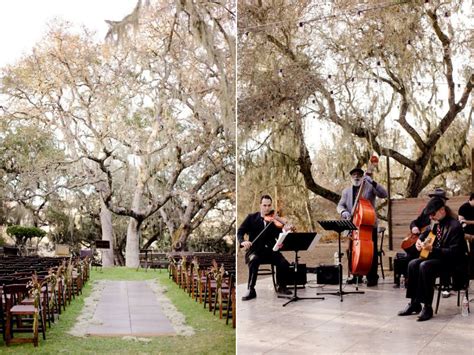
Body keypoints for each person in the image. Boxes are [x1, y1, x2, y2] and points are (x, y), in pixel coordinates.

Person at [398, 197, 467, 321]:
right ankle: (415, 303)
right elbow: (426, 232)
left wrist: (432, 250)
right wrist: (419, 240)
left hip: (452, 262)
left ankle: (427, 307)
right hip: (437, 258)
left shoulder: (455, 226)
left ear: (442, 210)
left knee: (425, 266)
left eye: (432, 214)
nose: (430, 217)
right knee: (412, 264)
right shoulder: (436, 223)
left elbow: (454, 253)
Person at [337, 167, 388, 286]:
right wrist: (343, 212)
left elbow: (384, 194)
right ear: (351, 177)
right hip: (353, 225)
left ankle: (372, 277)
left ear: (362, 176)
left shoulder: (369, 187)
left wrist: (373, 182)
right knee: (352, 250)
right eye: (354, 175)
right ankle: (356, 275)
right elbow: (340, 205)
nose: (356, 176)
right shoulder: (346, 191)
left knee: (372, 252)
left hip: (368, 224)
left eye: (359, 174)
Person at [238, 194, 294, 301]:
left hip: (270, 251)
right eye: (264, 205)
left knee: (284, 263)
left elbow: (279, 235)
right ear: (260, 205)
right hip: (255, 250)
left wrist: (284, 233)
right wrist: (243, 241)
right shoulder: (251, 218)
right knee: (254, 260)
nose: (267, 208)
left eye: (269, 205)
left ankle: (281, 286)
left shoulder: (274, 220)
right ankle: (251, 289)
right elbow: (240, 232)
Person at [458, 192, 474, 279]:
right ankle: (470, 274)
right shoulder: (464, 207)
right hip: (466, 234)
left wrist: (467, 221)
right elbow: (461, 222)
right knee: (470, 254)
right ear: (471, 199)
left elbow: (464, 221)